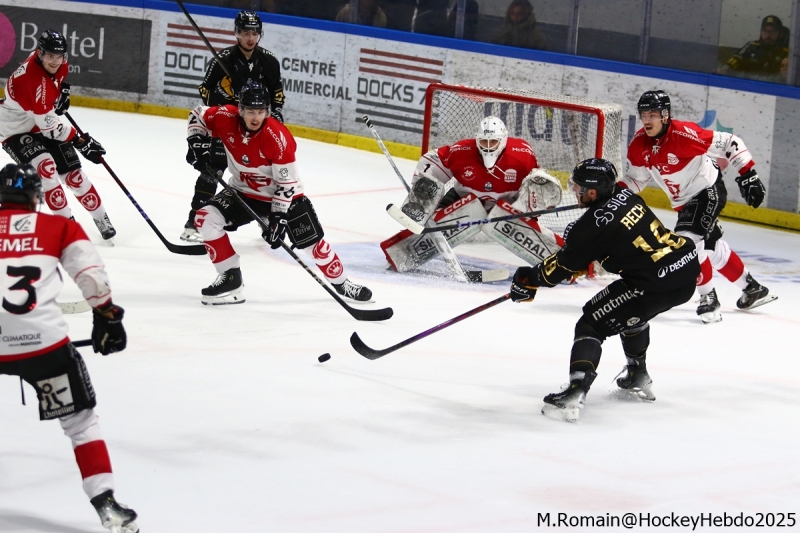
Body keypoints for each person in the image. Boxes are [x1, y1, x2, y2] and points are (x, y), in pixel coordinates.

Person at [0, 163, 137, 532]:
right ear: (35, 198)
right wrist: (106, 316)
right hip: (42, 345)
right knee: (80, 423)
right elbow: (91, 276)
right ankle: (106, 504)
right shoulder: (57, 226)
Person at [510, 159, 700, 422]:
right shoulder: (626, 194)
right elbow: (617, 238)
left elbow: (558, 271)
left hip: (654, 284)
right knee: (630, 312)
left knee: (591, 324)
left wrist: (528, 278)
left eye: (578, 187)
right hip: (686, 272)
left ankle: (575, 393)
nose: (574, 191)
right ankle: (637, 374)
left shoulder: (589, 229)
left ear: (592, 192)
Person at [186, 81, 374, 305]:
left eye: (261, 111)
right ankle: (230, 276)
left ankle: (341, 282)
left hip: (285, 198)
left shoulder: (278, 138)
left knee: (312, 244)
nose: (255, 118)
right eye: (250, 112)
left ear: (267, 111)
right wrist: (195, 141)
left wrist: (277, 217)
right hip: (244, 192)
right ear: (241, 110)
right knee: (205, 217)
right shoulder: (225, 116)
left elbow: (286, 185)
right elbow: (198, 114)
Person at [623, 90, 776, 324]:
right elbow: (636, 179)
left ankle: (709, 298)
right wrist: (613, 194)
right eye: (644, 114)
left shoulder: (684, 133)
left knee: (687, 243)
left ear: (665, 115)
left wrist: (749, 174)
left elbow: (729, 142)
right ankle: (752, 289)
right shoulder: (639, 144)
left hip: (707, 189)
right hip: (684, 201)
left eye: (652, 114)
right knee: (711, 247)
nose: (646, 120)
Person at [381, 115, 565, 272]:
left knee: (529, 224)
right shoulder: (461, 151)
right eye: (484, 141)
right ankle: (405, 251)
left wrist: (533, 208)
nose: (488, 147)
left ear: (503, 140)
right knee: (435, 219)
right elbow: (432, 161)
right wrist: (421, 193)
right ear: (477, 139)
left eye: (493, 142)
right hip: (464, 198)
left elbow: (537, 184)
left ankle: (562, 265)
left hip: (508, 206)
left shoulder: (522, 154)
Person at [181, 10, 286, 243]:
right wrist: (224, 91)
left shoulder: (269, 61)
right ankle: (193, 220)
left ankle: (267, 216)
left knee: (265, 175)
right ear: (237, 33)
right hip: (228, 123)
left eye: (255, 32)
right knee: (212, 171)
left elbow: (277, 94)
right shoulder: (224, 59)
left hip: (257, 126)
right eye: (245, 32)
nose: (250, 37)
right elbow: (205, 93)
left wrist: (275, 114)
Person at [0, 30, 116, 241]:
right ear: (40, 54)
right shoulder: (31, 81)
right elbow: (50, 129)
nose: (54, 61)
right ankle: (67, 227)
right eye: (49, 56)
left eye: (59, 56)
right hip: (14, 130)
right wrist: (82, 142)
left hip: (39, 120)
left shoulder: (60, 64)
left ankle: (102, 220)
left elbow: (50, 97)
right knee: (47, 169)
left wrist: (61, 93)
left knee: (75, 176)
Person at [718, 15, 789, 79]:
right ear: (761, 32)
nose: (768, 35)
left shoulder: (785, 52)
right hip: (748, 89)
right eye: (765, 31)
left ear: (780, 33)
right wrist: (724, 69)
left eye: (773, 32)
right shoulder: (752, 46)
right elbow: (736, 60)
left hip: (775, 90)